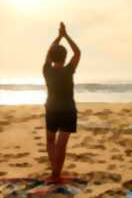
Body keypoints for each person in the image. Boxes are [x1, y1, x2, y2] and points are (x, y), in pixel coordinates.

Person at [43, 22, 81, 180]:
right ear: (65, 58)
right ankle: (57, 173)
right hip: (68, 111)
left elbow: (48, 53)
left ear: (51, 57)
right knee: (61, 144)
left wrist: (58, 37)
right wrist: (66, 36)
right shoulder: (68, 70)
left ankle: (54, 171)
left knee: (51, 141)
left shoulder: (47, 70)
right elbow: (77, 52)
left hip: (51, 110)